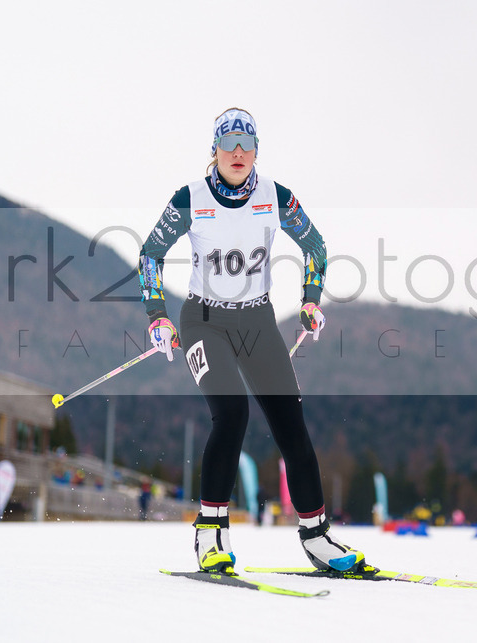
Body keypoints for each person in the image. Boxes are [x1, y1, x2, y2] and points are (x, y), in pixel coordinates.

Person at [137, 107, 365, 574]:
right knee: (233, 413)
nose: (238, 152)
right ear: (214, 150)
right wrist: (157, 315)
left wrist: (310, 300)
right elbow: (151, 254)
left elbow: (315, 247)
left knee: (291, 424)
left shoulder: (275, 197)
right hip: (203, 321)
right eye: (228, 143)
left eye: (246, 144)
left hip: (257, 321)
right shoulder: (190, 198)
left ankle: (317, 537)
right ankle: (210, 533)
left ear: (257, 150)